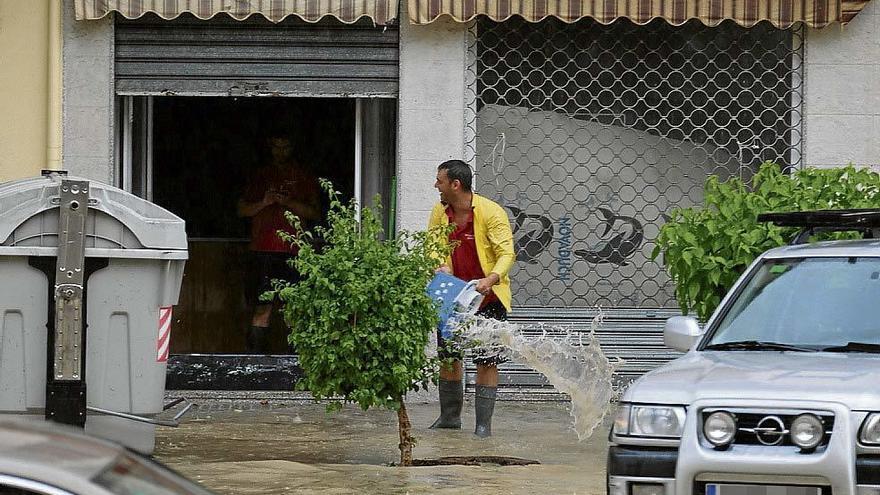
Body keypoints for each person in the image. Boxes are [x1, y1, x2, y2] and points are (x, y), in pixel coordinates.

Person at [428, 159, 515, 438]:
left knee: (486, 360)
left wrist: (491, 280)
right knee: (449, 357)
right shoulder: (439, 212)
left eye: (439, 181)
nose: (435, 185)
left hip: (488, 299)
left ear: (455, 184)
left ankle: (482, 426)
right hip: (454, 297)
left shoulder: (491, 212)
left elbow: (507, 253)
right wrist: (438, 266)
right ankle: (449, 418)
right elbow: (433, 247)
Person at [238, 136, 321, 353]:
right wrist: (265, 202)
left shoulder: (302, 176)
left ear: (292, 148)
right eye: (277, 147)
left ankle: (296, 362)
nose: (281, 152)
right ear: (270, 148)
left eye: (286, 147)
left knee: (293, 309)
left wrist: (288, 202)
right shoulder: (260, 176)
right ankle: (257, 362)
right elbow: (242, 210)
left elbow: (314, 212)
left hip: (293, 251)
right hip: (262, 250)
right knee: (261, 307)